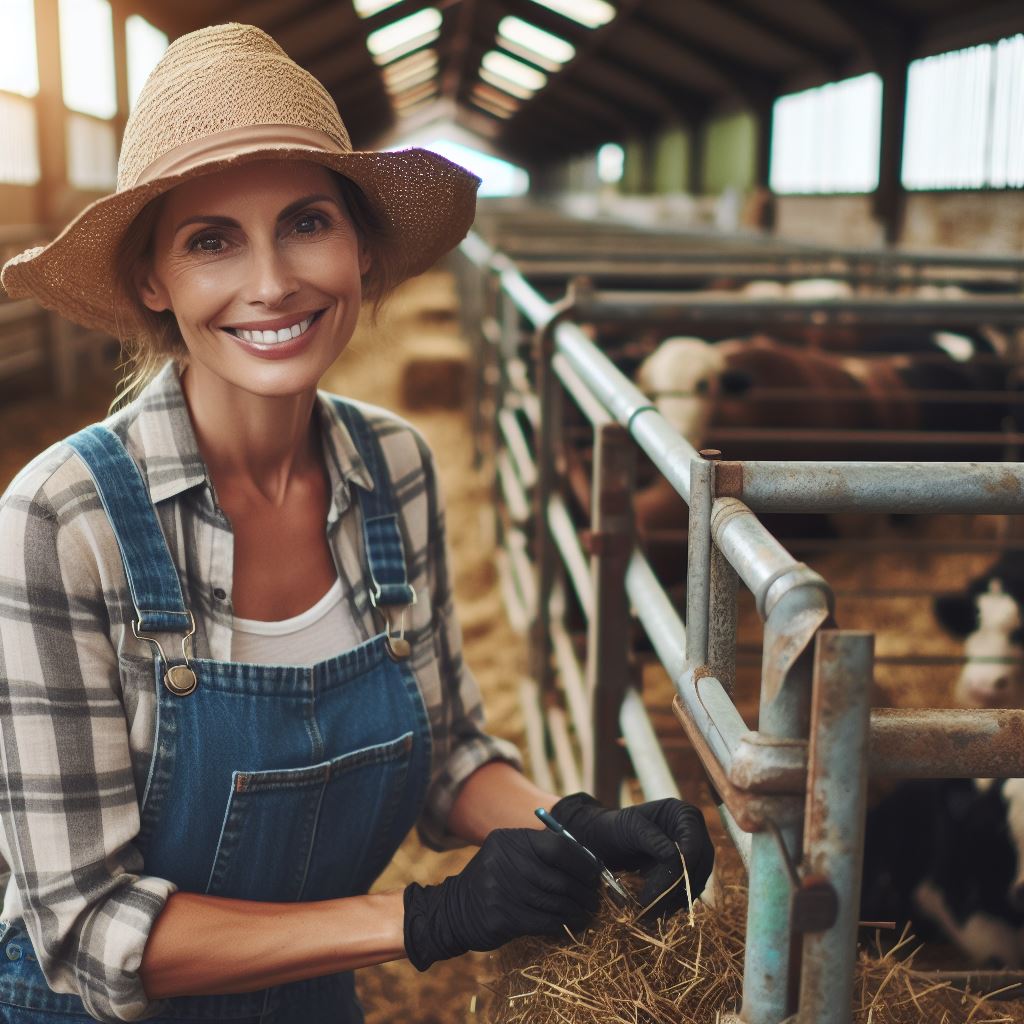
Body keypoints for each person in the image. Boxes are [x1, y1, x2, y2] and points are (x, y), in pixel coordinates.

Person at [0, 22, 714, 1024]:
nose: (271, 282)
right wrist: (421, 920)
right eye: (212, 240)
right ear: (154, 281)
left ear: (362, 249)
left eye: (306, 222)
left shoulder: (396, 469)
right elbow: (85, 924)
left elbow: (448, 748)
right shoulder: (59, 522)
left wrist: (577, 826)